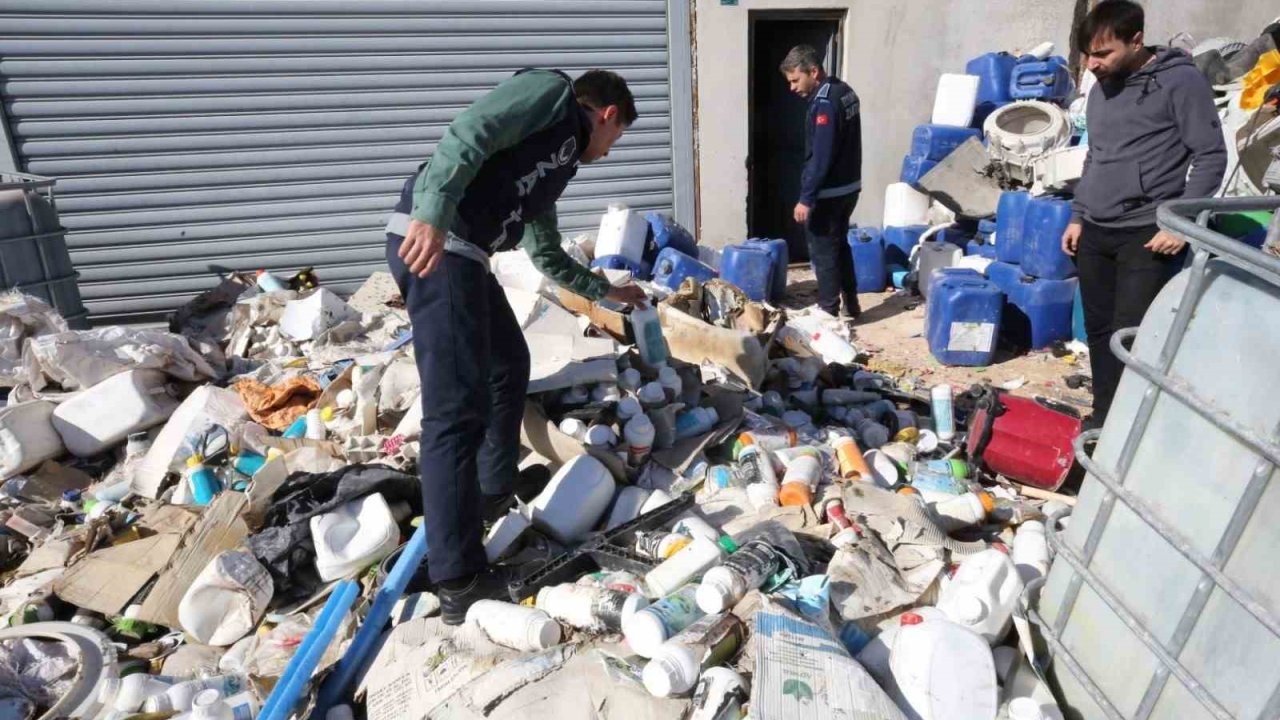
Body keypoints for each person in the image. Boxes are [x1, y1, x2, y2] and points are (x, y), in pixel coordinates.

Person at [385, 69, 648, 624]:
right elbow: (470, 130)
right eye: (616, 138)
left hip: (467, 257)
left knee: (509, 365)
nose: (609, 150)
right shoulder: (551, 96)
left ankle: (491, 491)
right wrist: (431, 214)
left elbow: (546, 253)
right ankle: (459, 578)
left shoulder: (552, 167)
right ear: (607, 115)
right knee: (454, 409)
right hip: (438, 245)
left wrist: (607, 292)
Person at [1061, 0, 1226, 428]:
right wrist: (1078, 214)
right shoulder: (1100, 89)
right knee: (1097, 332)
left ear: (1136, 41)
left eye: (1102, 54)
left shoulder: (1180, 82)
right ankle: (1103, 419)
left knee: (1129, 336)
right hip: (1096, 229)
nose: (1091, 64)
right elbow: (1095, 156)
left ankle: (1133, 426)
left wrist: (1182, 222)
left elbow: (1209, 156)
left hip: (1147, 233)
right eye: (1088, 54)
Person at [780, 44, 864, 320]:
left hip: (830, 192)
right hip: (850, 187)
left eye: (795, 80)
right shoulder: (845, 91)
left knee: (824, 251)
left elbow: (821, 156)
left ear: (813, 71)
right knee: (840, 245)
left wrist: (806, 198)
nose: (792, 88)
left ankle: (828, 312)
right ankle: (852, 303)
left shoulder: (825, 102)